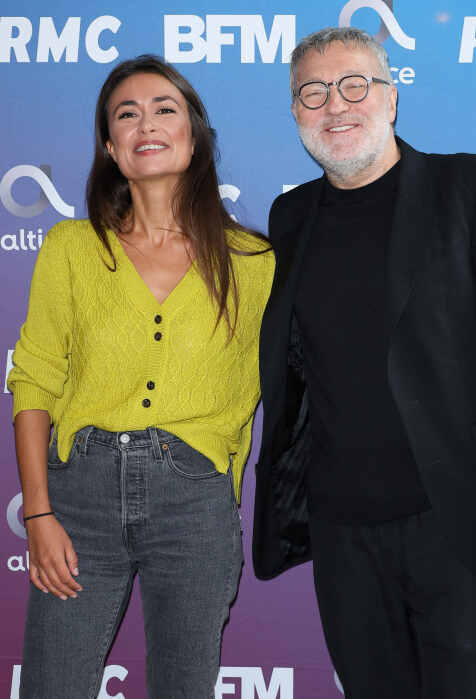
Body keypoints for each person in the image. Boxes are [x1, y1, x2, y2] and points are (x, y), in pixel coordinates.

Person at [252, 27, 476, 698]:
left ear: (391, 98)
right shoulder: (289, 216)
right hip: (341, 538)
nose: (334, 105)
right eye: (312, 94)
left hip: (463, 528)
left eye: (353, 85)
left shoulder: (471, 185)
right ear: (295, 113)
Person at [8, 54, 274, 699]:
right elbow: (35, 379)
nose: (146, 124)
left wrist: (221, 486)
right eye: (127, 114)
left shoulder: (255, 261)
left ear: (195, 134)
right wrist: (38, 511)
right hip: (78, 502)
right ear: (109, 145)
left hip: (195, 505)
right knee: (52, 686)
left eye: (165, 109)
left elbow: (262, 386)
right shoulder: (72, 248)